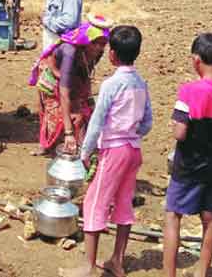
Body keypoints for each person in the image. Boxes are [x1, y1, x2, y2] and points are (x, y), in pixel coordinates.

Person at [61, 25, 152, 277]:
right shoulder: (141, 84)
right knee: (123, 204)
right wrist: (132, 133)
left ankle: (88, 267)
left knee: (94, 202)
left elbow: (97, 121)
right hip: (133, 150)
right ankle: (117, 261)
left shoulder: (112, 84)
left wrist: (85, 151)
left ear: (112, 54)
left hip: (114, 150)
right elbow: (147, 122)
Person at [164, 33, 212, 277]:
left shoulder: (188, 91)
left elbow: (180, 133)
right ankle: (201, 273)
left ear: (196, 60)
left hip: (187, 164)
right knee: (210, 220)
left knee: (172, 216)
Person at [28, 15, 112, 156]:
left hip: (72, 74)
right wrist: (69, 133)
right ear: (86, 40)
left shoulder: (97, 51)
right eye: (95, 43)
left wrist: (86, 96)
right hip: (54, 77)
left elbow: (87, 71)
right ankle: (48, 145)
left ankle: (81, 146)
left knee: (84, 110)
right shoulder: (70, 51)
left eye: (102, 44)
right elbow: (64, 94)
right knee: (55, 113)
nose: (98, 47)